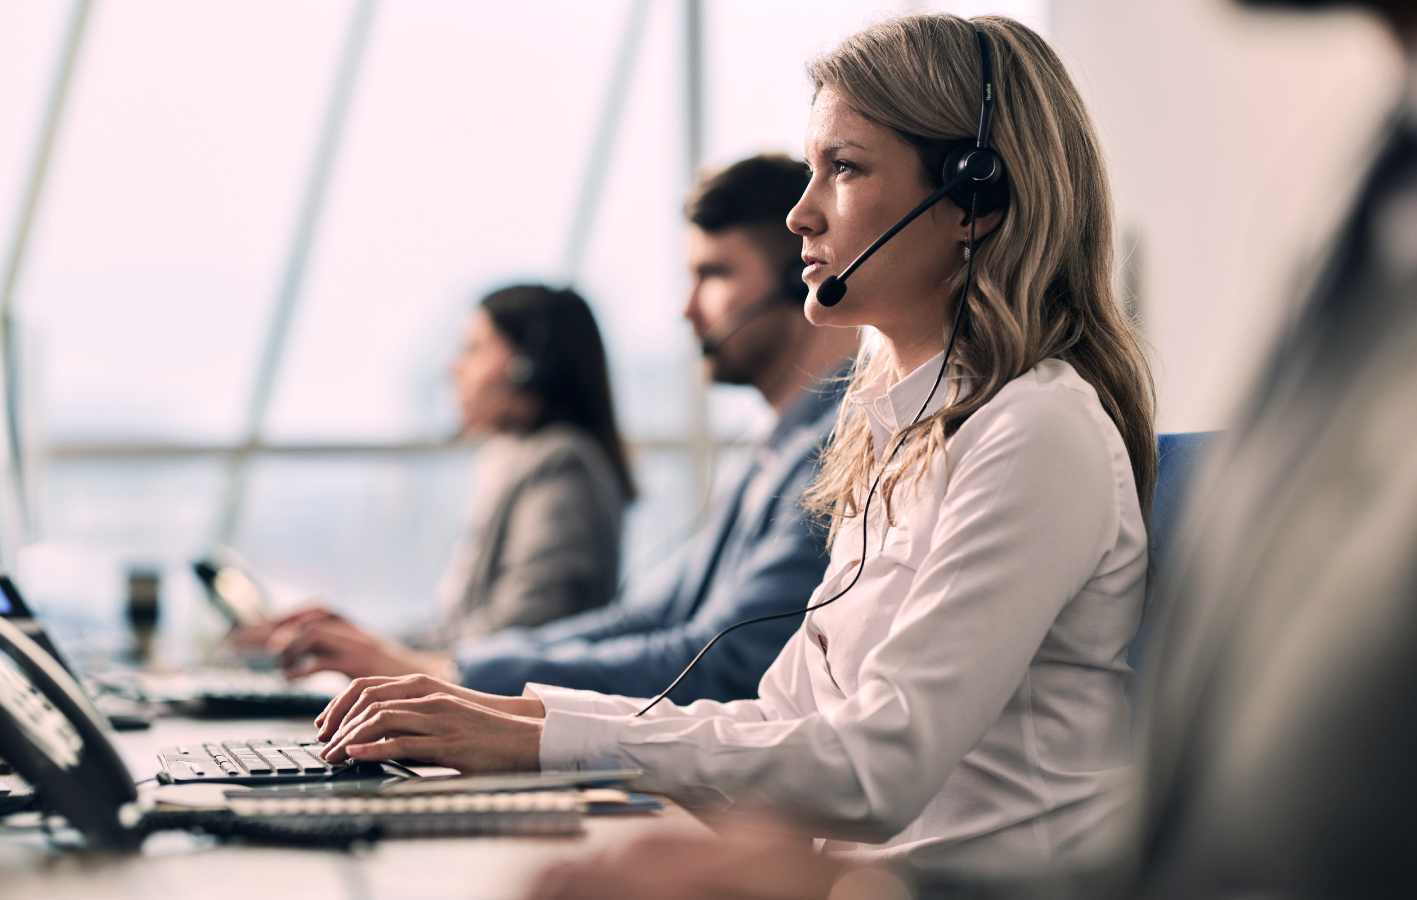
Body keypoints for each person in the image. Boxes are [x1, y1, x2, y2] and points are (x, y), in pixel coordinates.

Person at [313, 12, 1158, 875]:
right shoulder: (896, 434)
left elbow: (877, 771)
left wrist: (539, 744)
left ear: (973, 200)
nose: (801, 214)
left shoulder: (1034, 431)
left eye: (845, 168)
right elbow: (779, 715)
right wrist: (516, 722)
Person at [257, 154, 857, 702]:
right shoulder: (770, 450)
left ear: (797, 277)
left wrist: (449, 673)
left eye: (714, 274)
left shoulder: (834, 447)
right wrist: (444, 664)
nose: (687, 310)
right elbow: (645, 618)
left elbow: (729, 662)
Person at [239, 285, 634, 673]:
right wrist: (356, 639)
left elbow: (525, 629)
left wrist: (379, 652)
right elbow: (461, 630)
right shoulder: (512, 459)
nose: (454, 367)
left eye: (474, 348)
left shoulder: (561, 464)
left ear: (527, 370)